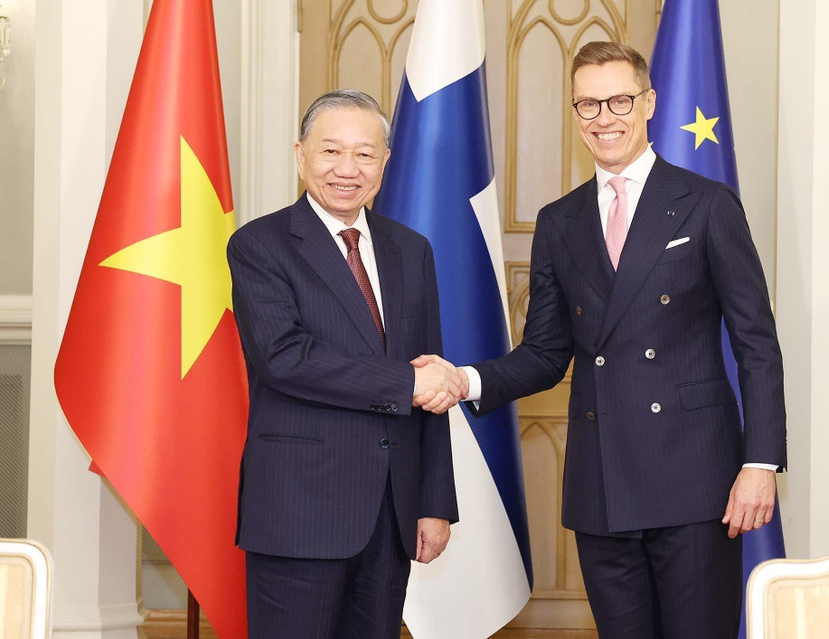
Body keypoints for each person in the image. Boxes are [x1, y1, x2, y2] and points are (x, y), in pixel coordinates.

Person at [414, 41, 787, 638]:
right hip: (602, 484)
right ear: (574, 113)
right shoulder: (559, 221)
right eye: (587, 105)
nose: (604, 118)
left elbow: (757, 345)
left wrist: (760, 463)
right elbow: (543, 354)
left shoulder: (707, 204)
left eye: (618, 100)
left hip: (696, 480)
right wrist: (465, 380)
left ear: (648, 103)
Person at [228, 89, 464, 639]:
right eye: (331, 151)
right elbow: (285, 358)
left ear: (386, 161)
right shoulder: (260, 245)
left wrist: (434, 502)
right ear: (300, 154)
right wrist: (406, 381)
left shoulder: (412, 249)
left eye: (365, 153)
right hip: (299, 512)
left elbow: (430, 378)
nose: (347, 169)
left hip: (391, 514)